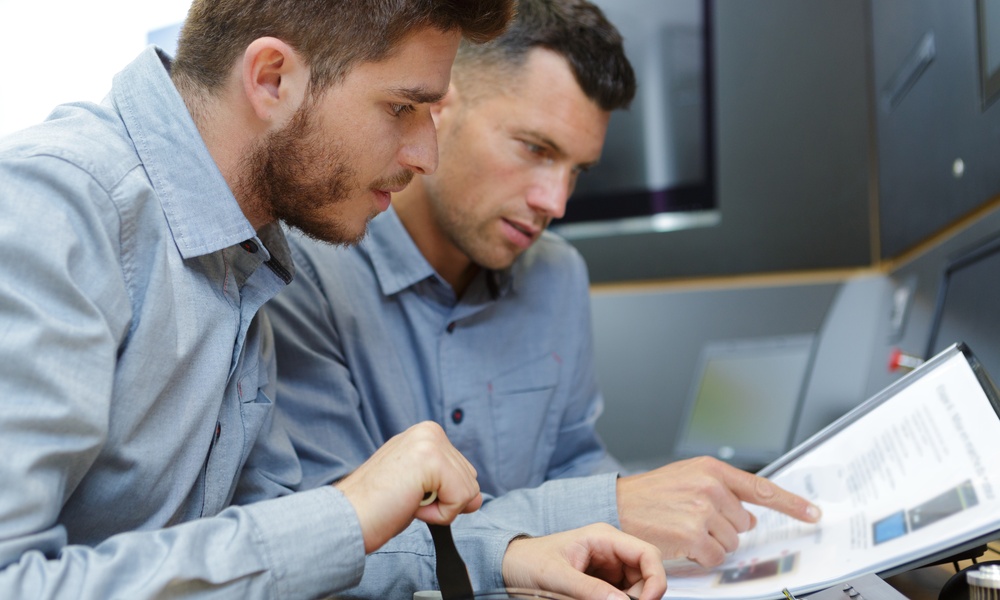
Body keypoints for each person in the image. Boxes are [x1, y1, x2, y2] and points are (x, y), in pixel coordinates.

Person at [0, 1, 669, 599]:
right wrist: (352, 508)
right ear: (272, 79)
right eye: (404, 108)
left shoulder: (247, 248)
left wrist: (508, 558)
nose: (425, 155)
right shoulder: (50, 210)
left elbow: (285, 548)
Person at [267, 0, 824, 591]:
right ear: (438, 103)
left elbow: (573, 461)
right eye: (536, 148)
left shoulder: (558, 275)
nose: (555, 202)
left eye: (577, 170)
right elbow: (343, 548)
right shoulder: (304, 273)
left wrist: (655, 515)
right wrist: (610, 506)